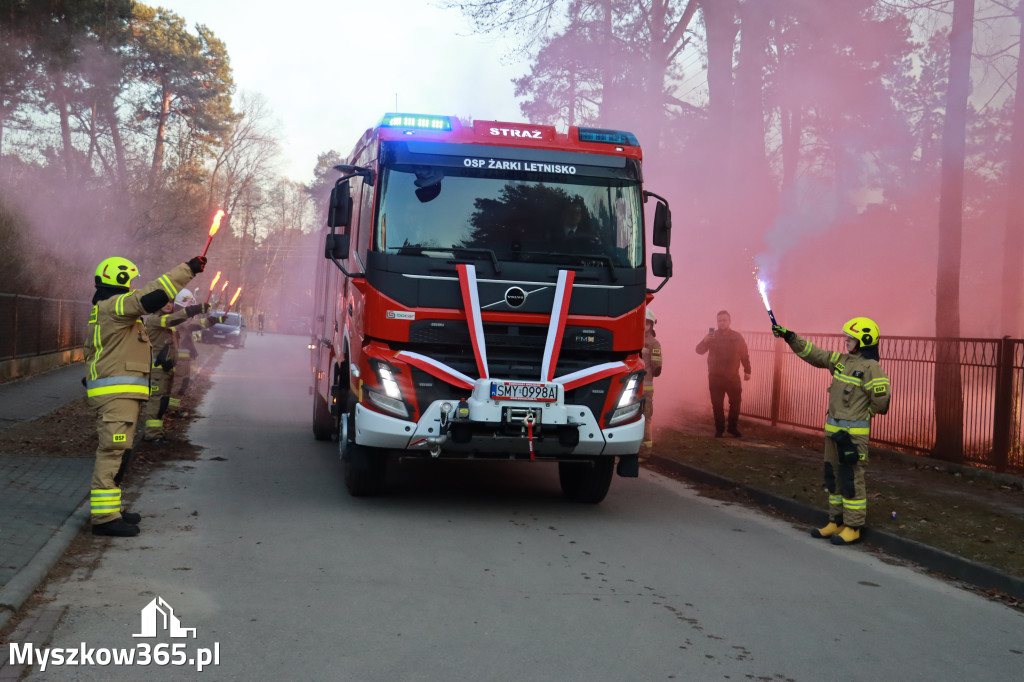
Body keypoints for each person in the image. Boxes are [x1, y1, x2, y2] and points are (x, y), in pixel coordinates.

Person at [84, 254, 207, 537]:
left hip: (121, 395)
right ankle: (104, 518)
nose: (132, 287)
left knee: (120, 451)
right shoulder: (115, 305)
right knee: (113, 451)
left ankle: (111, 509)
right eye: (129, 281)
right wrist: (188, 270)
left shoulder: (108, 310)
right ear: (120, 279)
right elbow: (152, 295)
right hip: (117, 396)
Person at [772, 317, 891, 545]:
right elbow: (814, 354)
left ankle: (853, 527)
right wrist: (790, 337)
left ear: (863, 341)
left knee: (852, 479)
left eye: (851, 338)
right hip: (833, 434)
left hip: (853, 438)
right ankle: (836, 522)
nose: (846, 340)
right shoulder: (841, 361)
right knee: (833, 477)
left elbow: (881, 401)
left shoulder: (871, 368)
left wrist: (865, 414)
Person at [141, 296, 210, 443]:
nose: (169, 304)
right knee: (156, 402)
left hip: (166, 369)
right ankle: (152, 435)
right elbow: (171, 321)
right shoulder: (154, 319)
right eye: (165, 302)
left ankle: (157, 433)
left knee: (163, 402)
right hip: (157, 370)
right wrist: (192, 310)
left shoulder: (168, 320)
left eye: (171, 302)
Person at [695, 310, 751, 437]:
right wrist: (704, 340)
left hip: (732, 376)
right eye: (719, 320)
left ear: (729, 321)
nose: (722, 323)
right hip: (715, 377)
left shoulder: (737, 336)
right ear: (717, 322)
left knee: (736, 403)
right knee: (717, 404)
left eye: (724, 320)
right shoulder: (711, 336)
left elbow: (744, 354)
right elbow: (699, 351)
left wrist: (748, 371)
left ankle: (732, 428)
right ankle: (719, 430)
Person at [641, 308, 663, 455]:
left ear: (651, 325)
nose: (645, 326)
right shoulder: (631, 338)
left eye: (647, 323)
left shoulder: (654, 344)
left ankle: (645, 451)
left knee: (646, 417)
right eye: (642, 323)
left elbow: (657, 365)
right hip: (631, 386)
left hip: (646, 388)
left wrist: (657, 368)